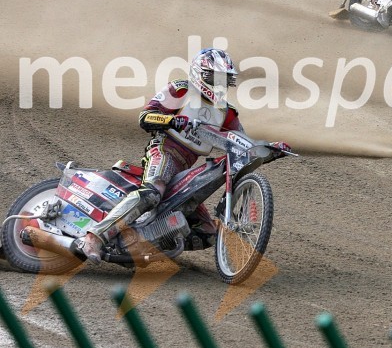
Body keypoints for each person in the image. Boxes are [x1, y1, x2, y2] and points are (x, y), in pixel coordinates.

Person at [73, 48, 290, 264]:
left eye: (224, 79)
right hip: (165, 151)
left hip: (188, 168)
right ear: (199, 73)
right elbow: (146, 116)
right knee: (152, 192)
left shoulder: (227, 111)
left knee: (207, 231)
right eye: (214, 77)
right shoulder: (181, 90)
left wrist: (268, 150)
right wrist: (172, 121)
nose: (219, 84)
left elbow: (241, 144)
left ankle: (149, 242)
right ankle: (93, 238)